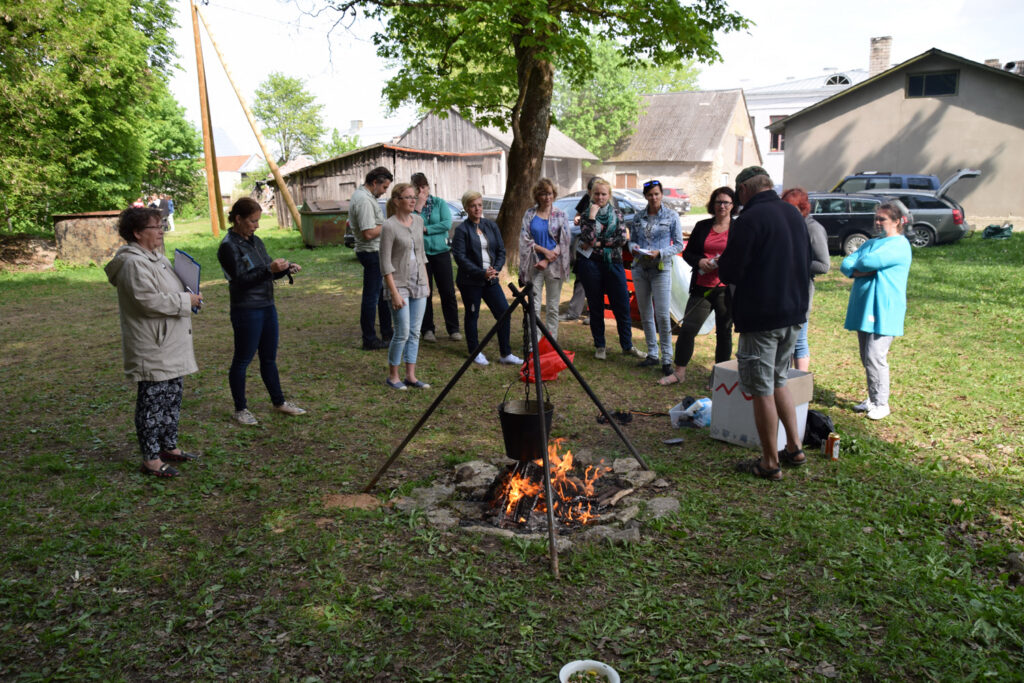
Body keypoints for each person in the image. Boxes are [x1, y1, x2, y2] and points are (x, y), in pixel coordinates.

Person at [717, 166, 810, 481]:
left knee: (761, 389)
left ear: (743, 190)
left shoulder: (750, 220)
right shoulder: (793, 214)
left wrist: (723, 265)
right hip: (794, 313)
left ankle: (770, 462)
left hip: (762, 316)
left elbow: (729, 271)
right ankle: (794, 448)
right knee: (778, 379)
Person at [105, 207, 202, 478]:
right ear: (137, 233)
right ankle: (150, 458)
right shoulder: (133, 263)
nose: (161, 231)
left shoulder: (155, 258)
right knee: (152, 403)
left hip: (171, 340)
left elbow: (168, 289)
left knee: (171, 397)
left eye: (161, 226)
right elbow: (147, 301)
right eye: (155, 227)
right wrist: (186, 301)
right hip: (153, 343)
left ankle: (168, 447)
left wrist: (190, 293)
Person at [217, 197, 306, 426]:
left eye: (257, 221)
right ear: (238, 219)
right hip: (246, 309)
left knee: (269, 358)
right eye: (253, 221)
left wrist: (285, 270)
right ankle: (240, 409)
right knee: (242, 360)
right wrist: (269, 269)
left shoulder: (255, 241)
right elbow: (240, 279)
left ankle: (279, 402)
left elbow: (265, 272)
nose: (257, 225)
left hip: (267, 306)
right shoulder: (228, 246)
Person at [841, 201, 912, 421]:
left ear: (897, 222)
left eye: (883, 219)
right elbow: (846, 264)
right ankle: (872, 399)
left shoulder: (899, 245)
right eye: (877, 218)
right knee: (866, 356)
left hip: (884, 308)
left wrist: (861, 265)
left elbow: (868, 261)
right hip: (864, 308)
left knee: (875, 356)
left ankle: (882, 403)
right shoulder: (873, 242)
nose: (878, 222)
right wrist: (862, 267)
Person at [660, 187, 737, 386]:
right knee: (688, 330)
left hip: (725, 289)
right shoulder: (702, 226)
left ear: (733, 205)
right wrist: (700, 261)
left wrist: (727, 263)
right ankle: (679, 373)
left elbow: (743, 256)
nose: (722, 206)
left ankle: (719, 378)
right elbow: (688, 253)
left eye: (726, 202)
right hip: (702, 287)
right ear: (713, 204)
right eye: (719, 202)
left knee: (724, 333)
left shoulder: (738, 228)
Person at [451, 190, 524, 367]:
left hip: (490, 279)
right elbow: (460, 257)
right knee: (472, 314)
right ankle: (474, 351)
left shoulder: (490, 226)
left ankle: (505, 353)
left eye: (479, 205)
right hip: (471, 281)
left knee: (503, 312)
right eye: (473, 206)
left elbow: (500, 251)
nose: (477, 209)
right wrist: (480, 272)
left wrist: (495, 270)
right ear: (467, 208)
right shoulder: (462, 230)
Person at [576, 178, 645, 360]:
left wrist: (598, 242)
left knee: (621, 305)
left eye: (603, 194)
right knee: (596, 306)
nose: (600, 197)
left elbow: (621, 240)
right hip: (591, 264)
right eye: (597, 193)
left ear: (609, 195)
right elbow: (588, 238)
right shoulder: (586, 215)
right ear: (592, 194)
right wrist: (592, 216)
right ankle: (600, 346)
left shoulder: (617, 213)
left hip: (614, 263)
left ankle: (627, 345)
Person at [629, 179, 683, 376]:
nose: (654, 198)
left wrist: (660, 252)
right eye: (650, 194)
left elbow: (678, 245)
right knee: (645, 313)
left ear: (662, 195)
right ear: (645, 196)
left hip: (661, 268)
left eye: (657, 194)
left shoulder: (671, 216)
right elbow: (632, 240)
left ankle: (667, 358)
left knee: (662, 314)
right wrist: (633, 248)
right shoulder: (638, 217)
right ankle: (652, 354)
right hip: (640, 268)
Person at [380, 183, 431, 390]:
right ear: (396, 201)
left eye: (414, 197)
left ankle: (411, 375)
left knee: (415, 331)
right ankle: (393, 376)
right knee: (402, 330)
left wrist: (426, 284)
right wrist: (393, 293)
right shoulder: (389, 226)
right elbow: (385, 263)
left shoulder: (418, 221)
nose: (413, 200)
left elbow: (421, 255)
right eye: (408, 197)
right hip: (398, 284)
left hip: (419, 282)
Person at [781, 188, 831, 372]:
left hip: (800, 294)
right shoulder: (787, 225)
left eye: (791, 208)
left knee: (799, 341)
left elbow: (823, 265)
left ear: (803, 208)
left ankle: (800, 387)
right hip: (783, 293)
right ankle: (785, 383)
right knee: (785, 342)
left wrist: (794, 263)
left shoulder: (813, 228)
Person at [518, 178, 571, 340]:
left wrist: (548, 259)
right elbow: (524, 238)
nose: (547, 197)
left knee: (553, 308)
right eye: (543, 194)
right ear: (537, 196)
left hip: (554, 266)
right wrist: (542, 251)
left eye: (549, 193)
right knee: (533, 307)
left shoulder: (561, 215)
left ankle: (550, 343)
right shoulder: (529, 214)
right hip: (533, 264)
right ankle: (534, 342)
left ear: (553, 194)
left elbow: (565, 241)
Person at [411, 172, 461, 343]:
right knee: (425, 292)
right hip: (422, 254)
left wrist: (426, 229)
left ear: (428, 187)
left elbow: (447, 223)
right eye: (417, 188)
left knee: (447, 291)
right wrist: (419, 206)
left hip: (441, 252)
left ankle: (453, 328)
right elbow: (411, 225)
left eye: (423, 186)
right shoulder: (413, 206)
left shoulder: (440, 203)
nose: (421, 191)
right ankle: (428, 329)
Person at [351, 166, 395, 350]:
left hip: (375, 252)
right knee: (371, 297)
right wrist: (388, 224)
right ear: (375, 182)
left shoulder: (366, 197)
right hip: (370, 253)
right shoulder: (363, 200)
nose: (385, 192)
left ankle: (387, 331)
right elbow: (368, 233)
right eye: (384, 187)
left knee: (382, 295)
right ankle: (369, 338)